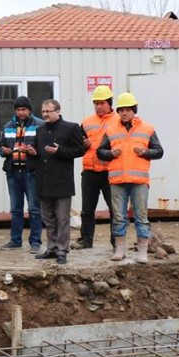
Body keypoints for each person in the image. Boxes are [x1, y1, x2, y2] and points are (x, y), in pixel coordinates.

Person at [97, 93, 164, 263]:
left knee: (141, 217)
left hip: (139, 182)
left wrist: (147, 152)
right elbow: (100, 152)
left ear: (134, 111)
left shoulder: (147, 129)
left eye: (127, 110)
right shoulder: (111, 130)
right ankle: (120, 250)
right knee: (119, 217)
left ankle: (142, 251)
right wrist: (110, 153)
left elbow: (159, 151)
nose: (124, 113)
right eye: (121, 110)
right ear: (118, 112)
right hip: (117, 181)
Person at [30, 100, 86, 265]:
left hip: (62, 181)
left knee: (62, 219)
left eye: (49, 111)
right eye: (43, 111)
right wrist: (32, 153)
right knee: (48, 219)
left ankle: (62, 250)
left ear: (58, 111)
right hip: (43, 182)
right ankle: (51, 248)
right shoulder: (39, 131)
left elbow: (80, 150)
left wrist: (60, 151)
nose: (45, 114)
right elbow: (37, 154)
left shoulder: (71, 128)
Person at [0, 96, 44, 253]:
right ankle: (15, 240)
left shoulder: (40, 125)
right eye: (18, 109)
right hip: (13, 172)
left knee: (34, 208)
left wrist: (34, 152)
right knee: (16, 209)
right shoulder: (7, 126)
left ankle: (35, 242)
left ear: (29, 110)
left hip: (31, 172)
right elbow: (0, 148)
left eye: (24, 109)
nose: (21, 112)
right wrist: (3, 151)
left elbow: (44, 149)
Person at [73, 85, 117, 250]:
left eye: (102, 103)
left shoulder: (118, 121)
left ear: (109, 103)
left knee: (115, 209)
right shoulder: (86, 122)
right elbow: (77, 148)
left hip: (110, 171)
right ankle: (86, 240)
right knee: (87, 209)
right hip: (90, 171)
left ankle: (116, 242)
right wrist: (83, 146)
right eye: (96, 103)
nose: (99, 106)